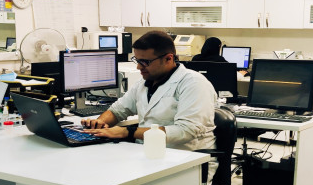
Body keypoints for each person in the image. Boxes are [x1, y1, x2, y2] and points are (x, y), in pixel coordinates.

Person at [81, 30, 217, 150]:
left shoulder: (193, 83)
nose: (139, 67)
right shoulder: (144, 83)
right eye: (137, 60)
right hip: (148, 152)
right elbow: (118, 110)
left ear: (168, 59)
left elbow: (185, 131)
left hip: (186, 157)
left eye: (145, 62)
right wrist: (100, 123)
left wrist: (127, 132)